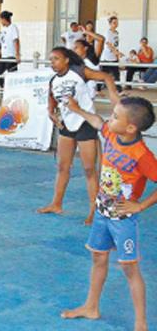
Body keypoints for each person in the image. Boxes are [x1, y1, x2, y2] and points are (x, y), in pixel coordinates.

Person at [61, 95, 156, 331]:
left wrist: (141, 205)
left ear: (131, 127)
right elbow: (96, 121)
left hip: (124, 219)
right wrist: (77, 109)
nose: (109, 119)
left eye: (115, 116)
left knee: (129, 268)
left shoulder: (142, 154)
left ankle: (141, 326)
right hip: (103, 214)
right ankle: (91, 306)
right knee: (98, 257)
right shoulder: (112, 134)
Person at [37, 47, 120, 225]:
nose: (53, 63)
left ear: (66, 60)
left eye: (56, 59)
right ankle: (56, 203)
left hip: (85, 123)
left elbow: (106, 76)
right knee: (62, 167)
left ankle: (95, 210)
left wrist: (114, 95)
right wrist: (51, 112)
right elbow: (51, 99)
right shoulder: (53, 80)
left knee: (90, 169)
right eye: (51, 60)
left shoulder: (79, 72)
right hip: (67, 124)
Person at [0, 11, 20, 89]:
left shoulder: (13, 27)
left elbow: (16, 41)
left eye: (1, 20)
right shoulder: (3, 30)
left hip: (11, 56)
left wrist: (17, 54)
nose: (0, 22)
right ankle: (6, 88)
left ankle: (13, 90)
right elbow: (3, 44)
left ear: (4, 19)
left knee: (13, 76)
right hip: (4, 57)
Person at [100, 16, 122, 92]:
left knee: (116, 74)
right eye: (114, 23)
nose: (116, 24)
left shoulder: (116, 33)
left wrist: (117, 54)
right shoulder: (107, 33)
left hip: (113, 57)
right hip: (107, 57)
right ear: (110, 24)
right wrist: (116, 52)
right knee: (103, 74)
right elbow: (108, 44)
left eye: (117, 22)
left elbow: (116, 45)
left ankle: (120, 90)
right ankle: (98, 89)